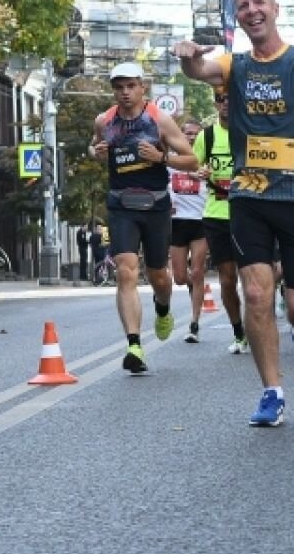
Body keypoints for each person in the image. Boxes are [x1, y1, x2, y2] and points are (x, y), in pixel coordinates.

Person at [173, 0, 294, 427]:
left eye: (258, 3)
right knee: (255, 293)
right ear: (238, 16)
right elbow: (199, 72)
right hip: (249, 195)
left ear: (275, 9)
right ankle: (272, 391)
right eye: (243, 6)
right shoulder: (235, 65)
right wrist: (191, 57)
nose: (252, 10)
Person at [90, 62, 197, 374]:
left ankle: (162, 309)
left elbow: (192, 160)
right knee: (126, 271)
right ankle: (134, 344)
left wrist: (162, 157)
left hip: (155, 206)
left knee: (159, 276)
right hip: (121, 204)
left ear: (142, 87)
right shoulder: (104, 120)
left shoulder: (159, 120)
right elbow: (94, 147)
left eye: (131, 86)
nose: (125, 93)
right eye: (119, 87)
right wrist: (94, 152)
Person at [193, 90, 249, 356]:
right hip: (216, 214)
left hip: (249, 213)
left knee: (256, 278)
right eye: (219, 99)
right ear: (214, 103)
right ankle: (239, 332)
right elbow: (193, 165)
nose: (225, 103)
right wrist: (199, 171)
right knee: (227, 279)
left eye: (230, 98)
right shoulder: (207, 136)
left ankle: (259, 325)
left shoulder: (250, 132)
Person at [169, 117, 210, 343]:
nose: (191, 137)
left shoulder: (206, 161)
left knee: (197, 271)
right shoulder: (172, 160)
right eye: (187, 133)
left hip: (201, 220)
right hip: (176, 221)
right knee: (180, 277)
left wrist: (208, 175)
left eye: (195, 133)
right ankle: (194, 287)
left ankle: (194, 324)